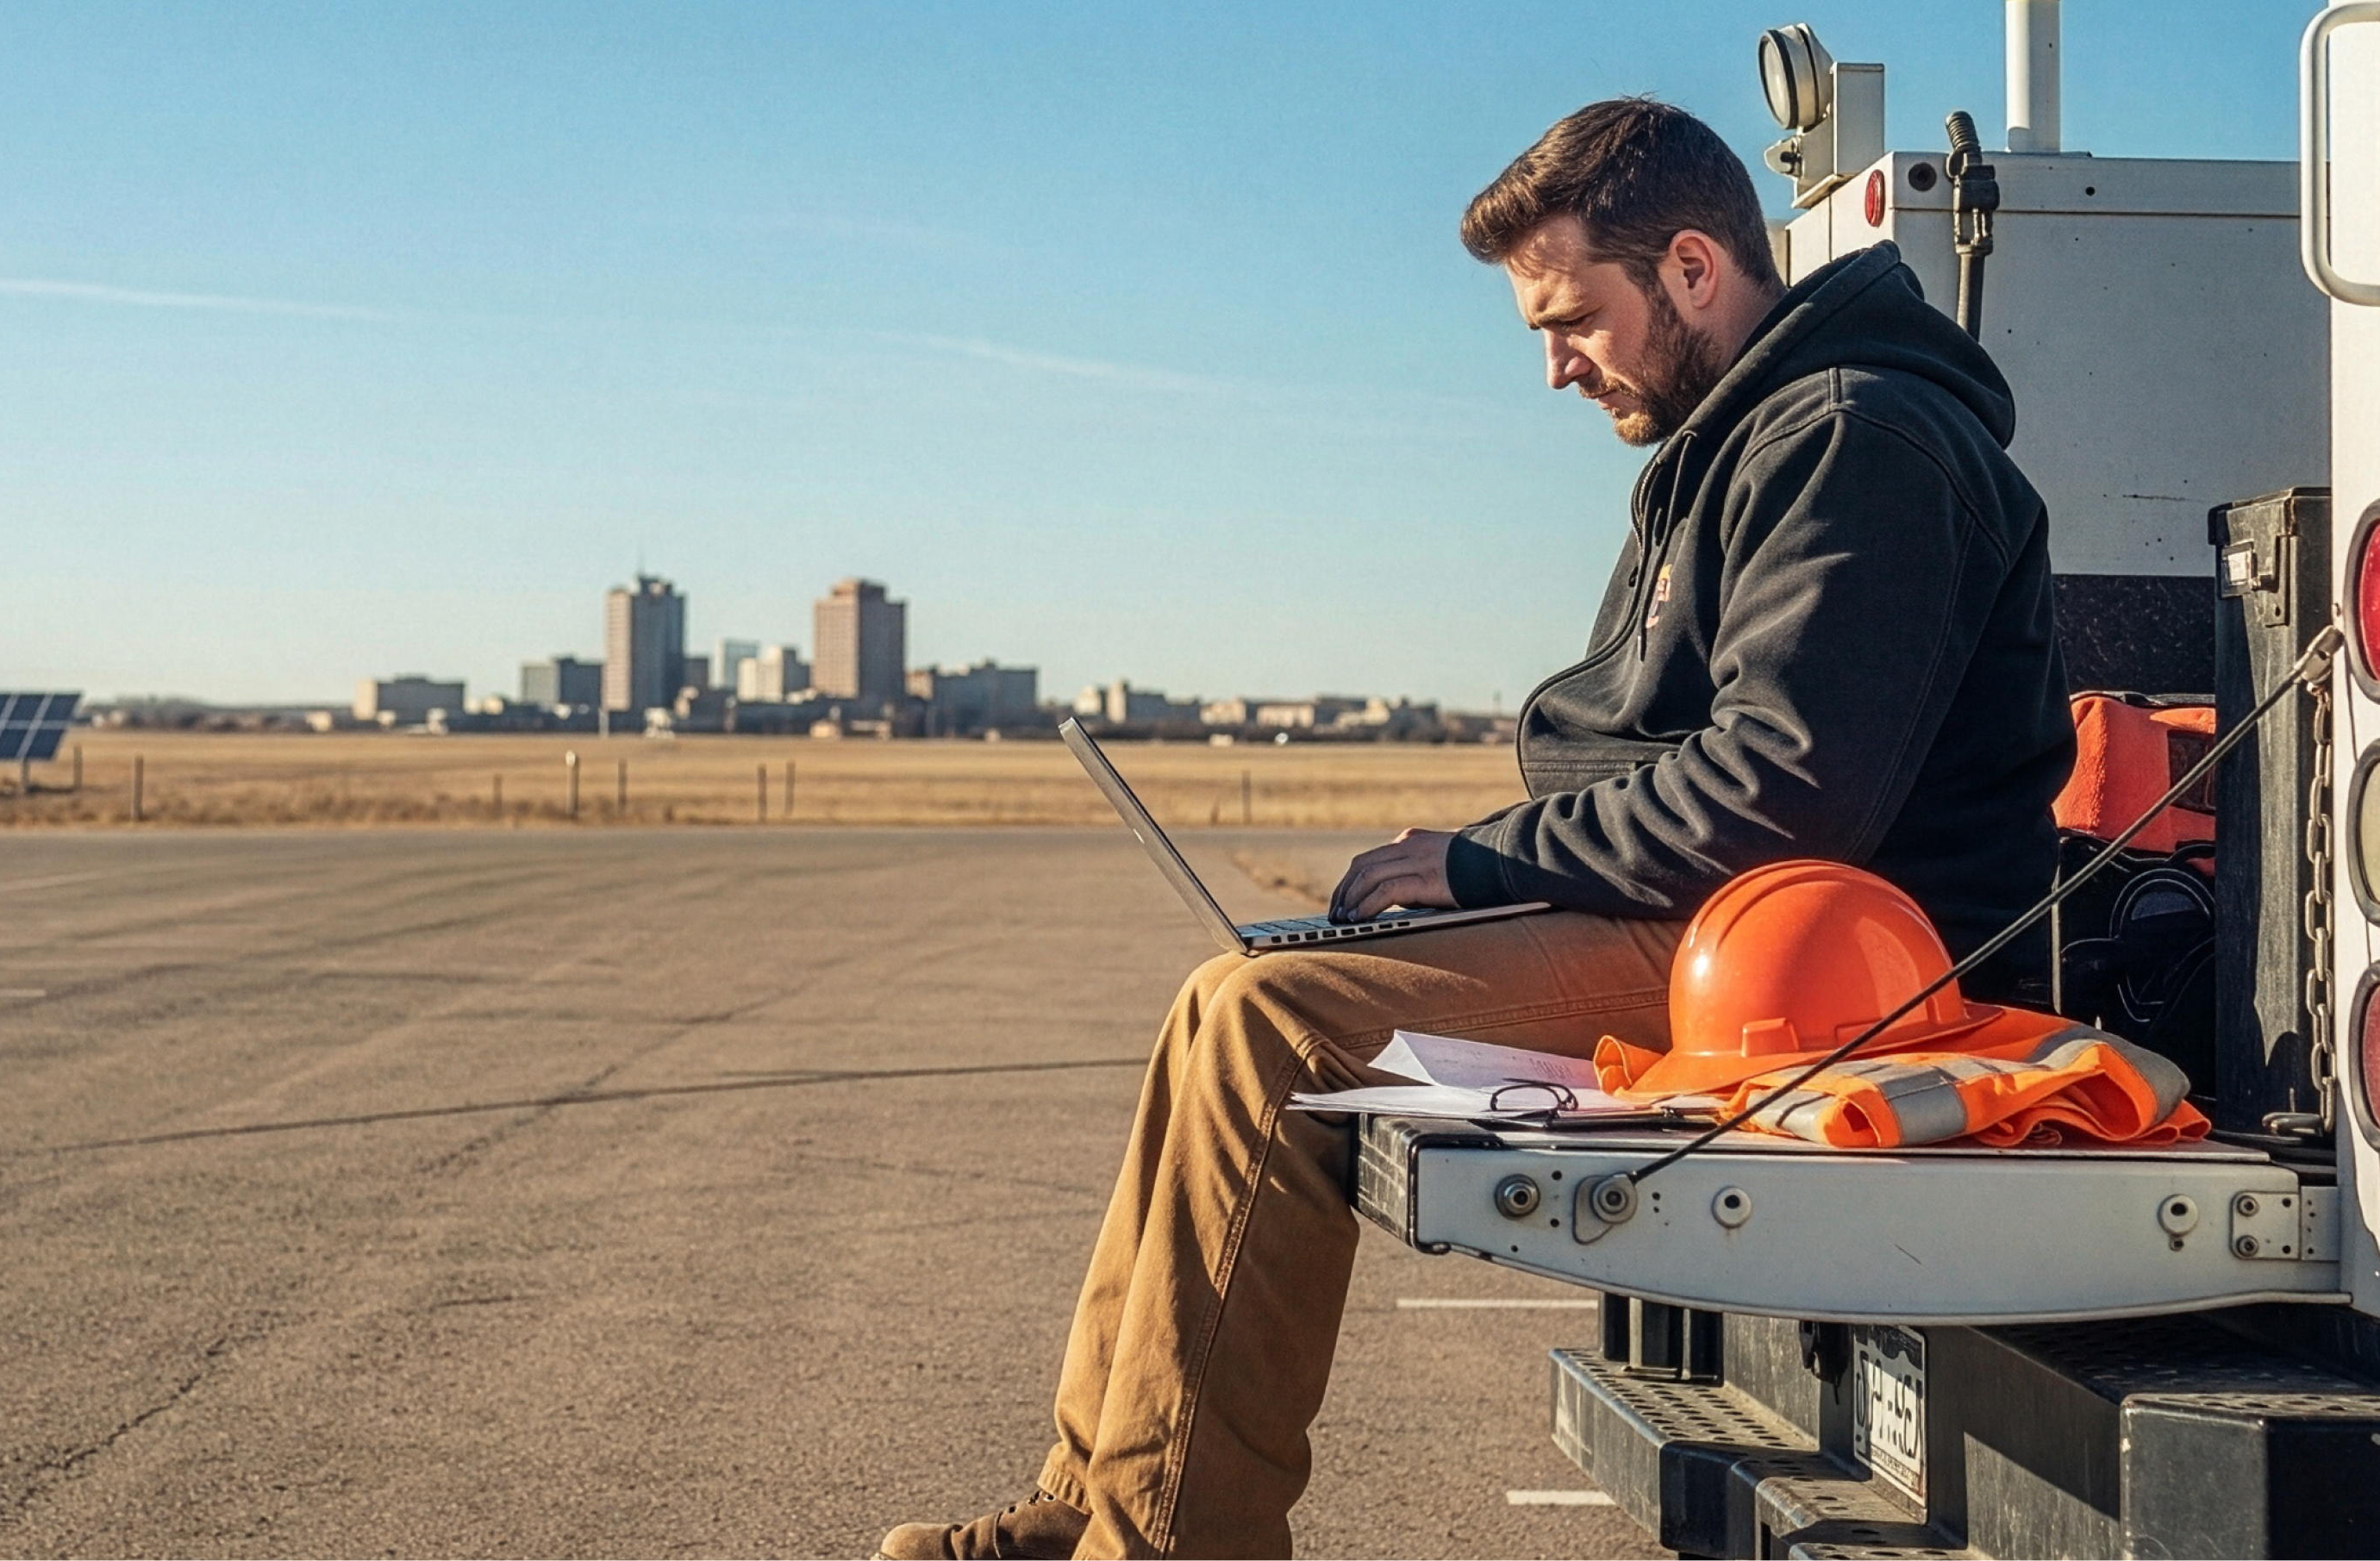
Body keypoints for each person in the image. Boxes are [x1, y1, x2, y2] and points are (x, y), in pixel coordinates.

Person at [877, 97, 2076, 1560]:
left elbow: (1783, 788)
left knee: (1279, 1024)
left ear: (1693, 267)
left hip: (1828, 975)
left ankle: (1175, 1542)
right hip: (1724, 933)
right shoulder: (1750, 434)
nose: (1557, 364)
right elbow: (1678, 764)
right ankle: (1091, 1504)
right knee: (1222, 999)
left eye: (1572, 317)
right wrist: (1473, 863)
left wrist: (1477, 862)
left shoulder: (1855, 438)